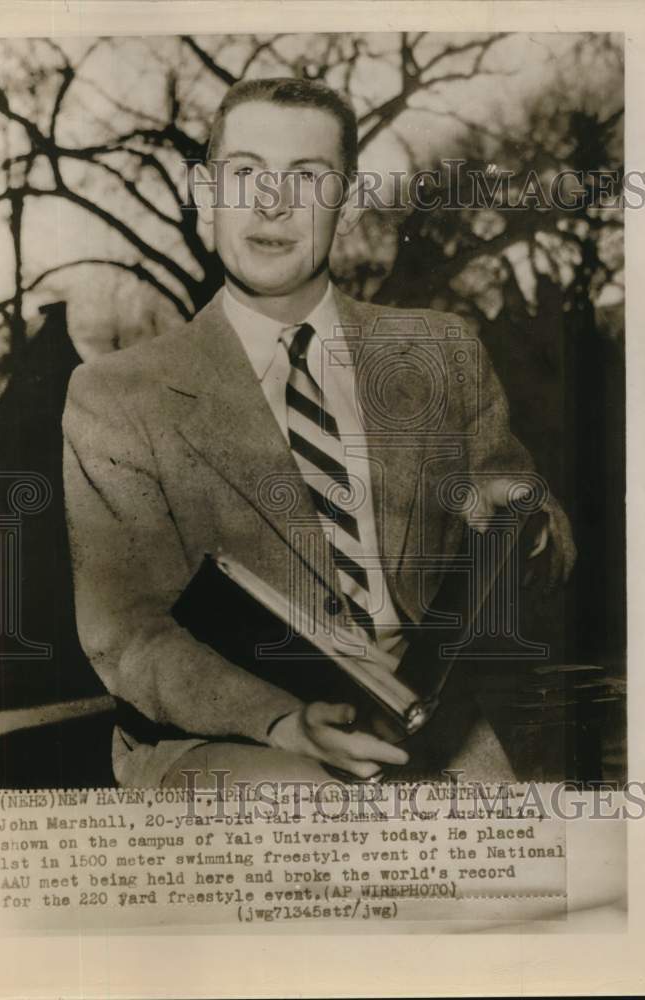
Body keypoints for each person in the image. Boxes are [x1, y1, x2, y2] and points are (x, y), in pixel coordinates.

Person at [63, 77, 575, 788]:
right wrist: (280, 722)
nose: (272, 202)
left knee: (508, 838)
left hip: (425, 722)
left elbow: (537, 533)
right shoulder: (118, 395)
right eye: (245, 173)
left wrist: (521, 516)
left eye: (306, 177)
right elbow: (124, 634)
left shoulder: (439, 351)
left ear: (346, 198)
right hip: (226, 735)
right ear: (204, 191)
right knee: (310, 809)